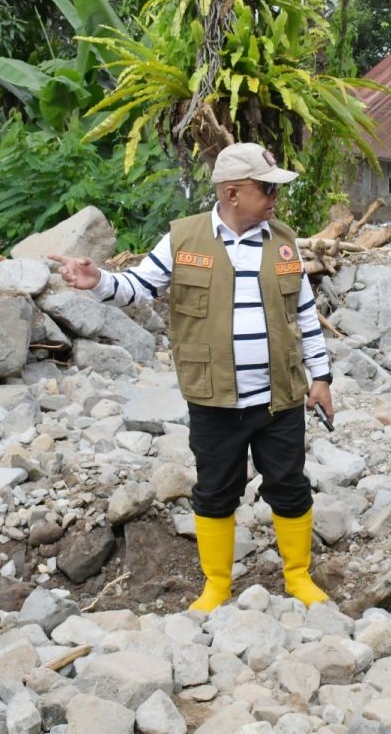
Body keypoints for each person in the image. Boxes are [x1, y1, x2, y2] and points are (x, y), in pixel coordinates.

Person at [51, 142, 333, 613]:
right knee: (215, 491)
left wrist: (321, 378)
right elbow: (138, 287)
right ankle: (217, 585)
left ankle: (298, 577)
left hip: (279, 397)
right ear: (232, 192)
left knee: (289, 485)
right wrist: (98, 279)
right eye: (266, 189)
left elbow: (304, 314)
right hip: (214, 398)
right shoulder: (184, 239)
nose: (274, 198)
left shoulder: (282, 240)